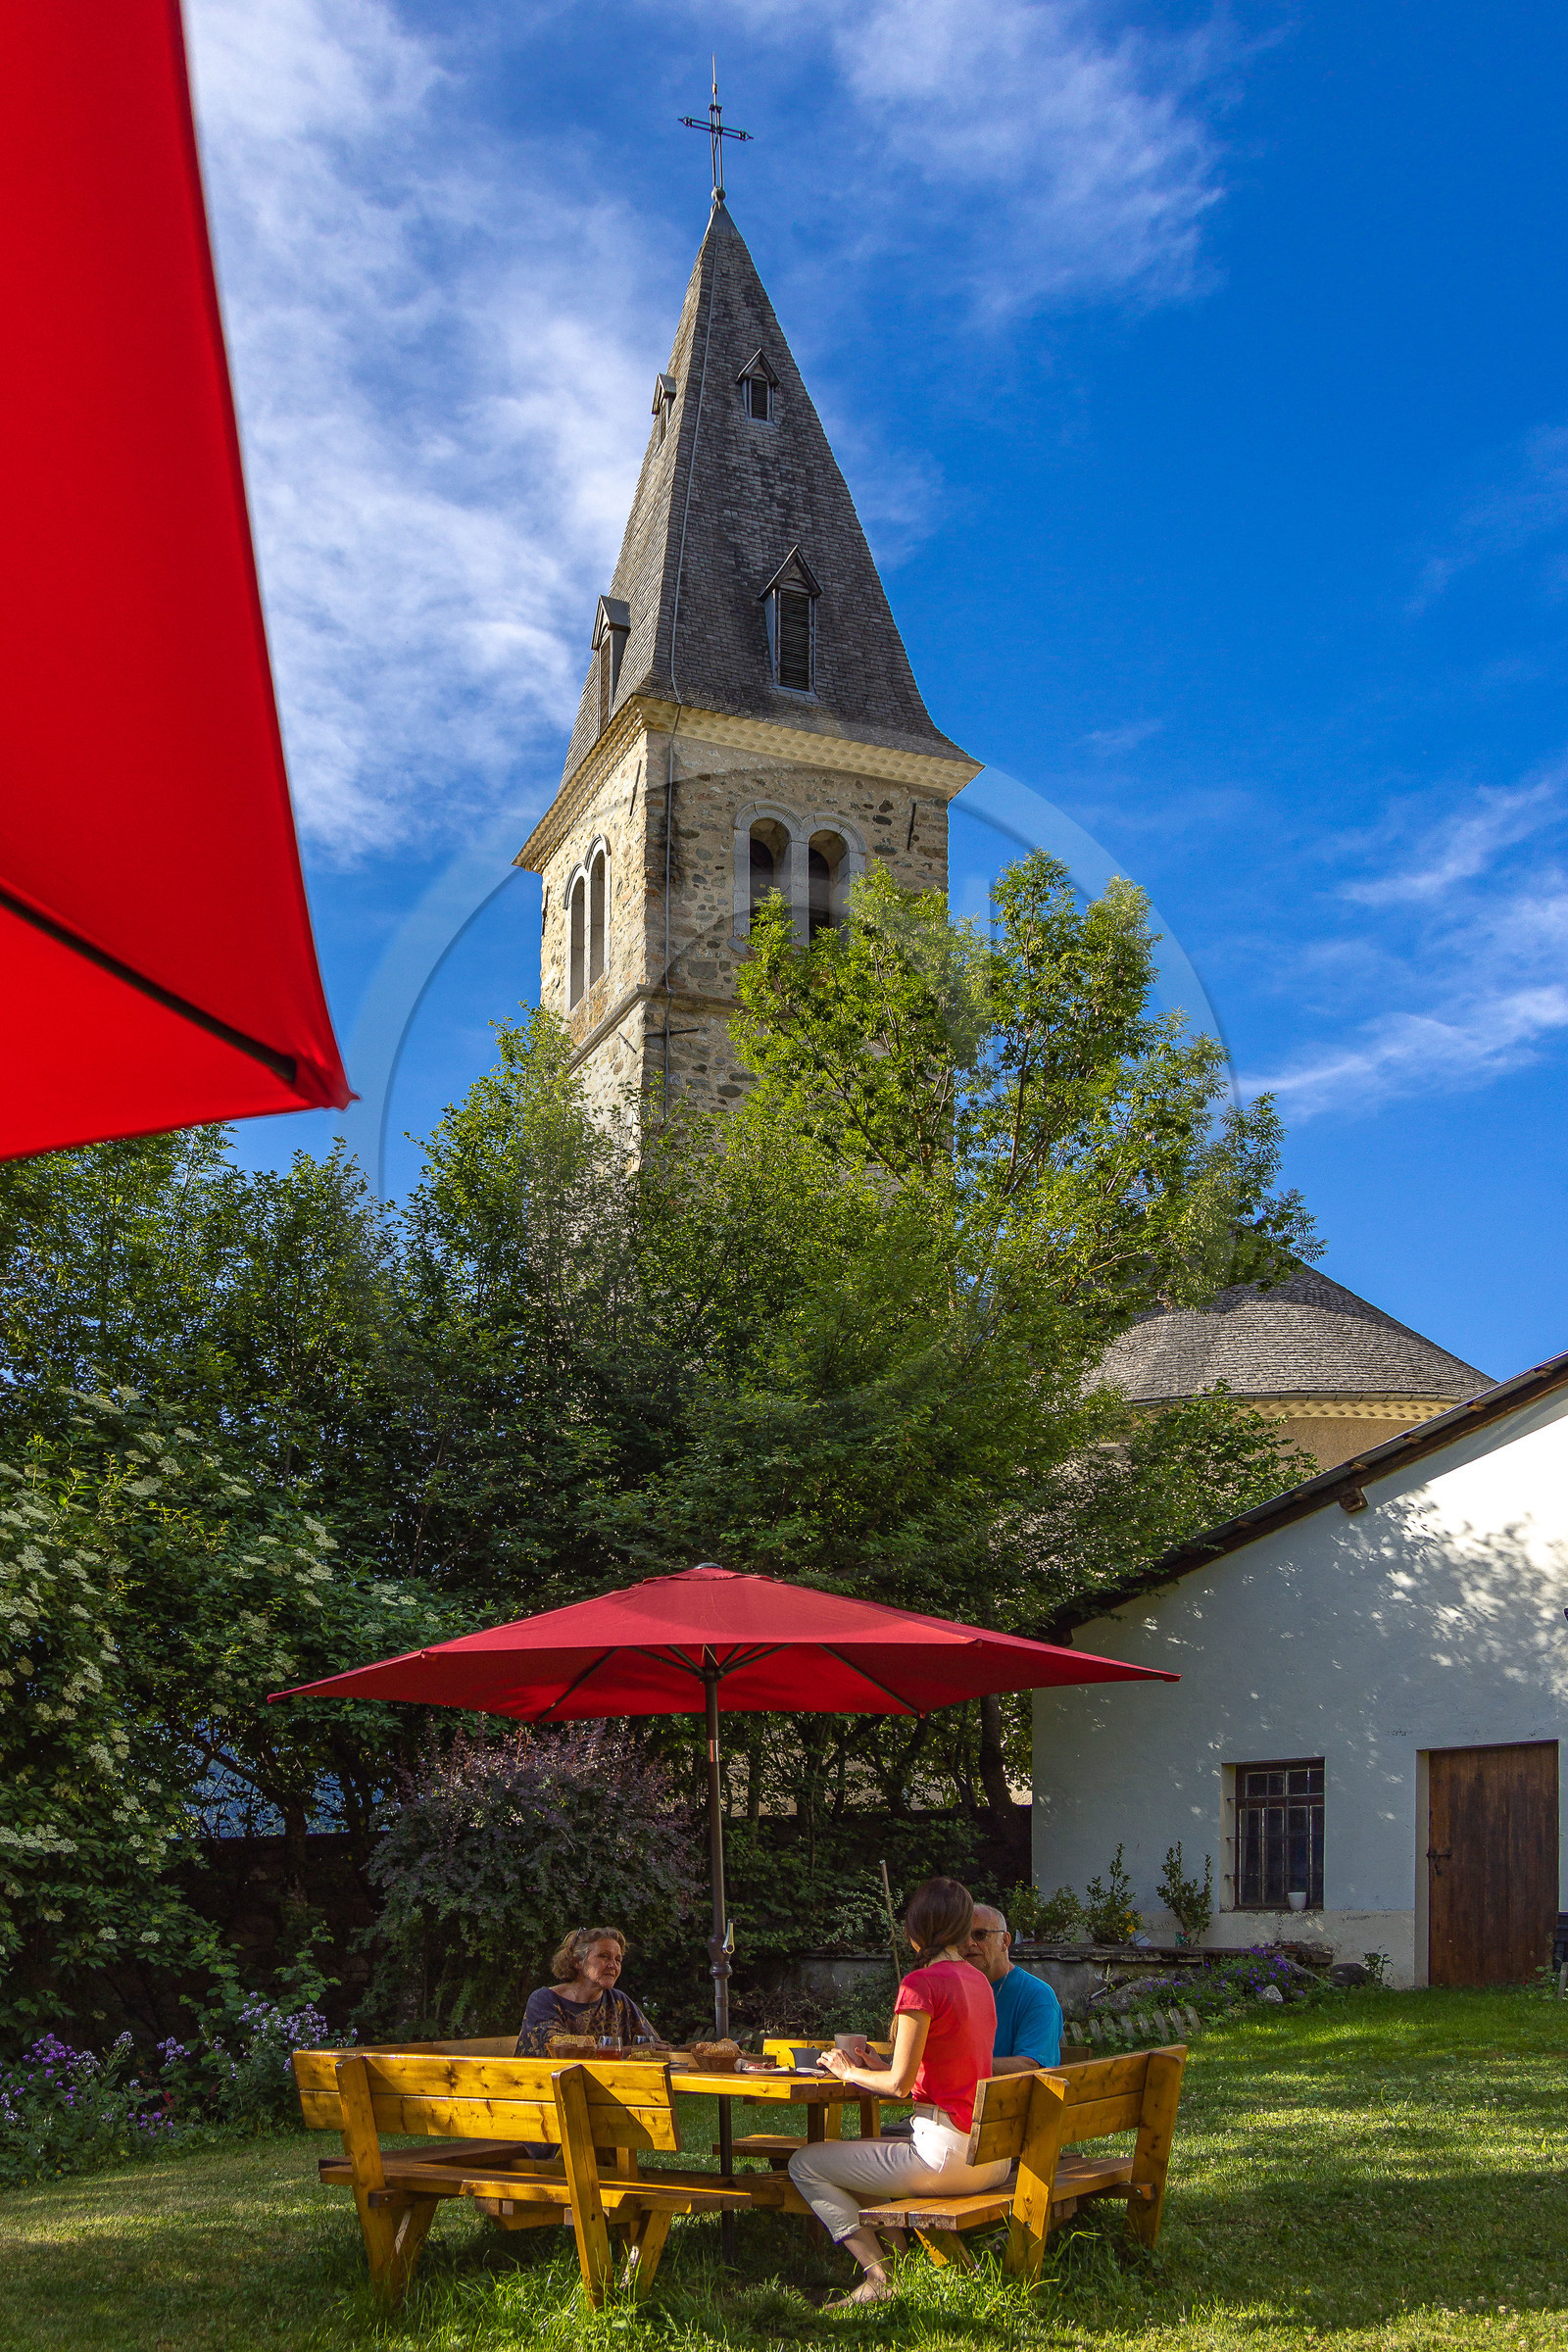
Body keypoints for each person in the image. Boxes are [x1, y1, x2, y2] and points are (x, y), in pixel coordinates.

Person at [787, 1876, 1011, 2309]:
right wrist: (880, 2066)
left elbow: (898, 2085)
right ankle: (904, 2265)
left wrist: (847, 2070)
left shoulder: (921, 1985)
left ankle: (879, 2276)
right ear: (965, 1929)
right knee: (860, 2156)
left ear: (914, 1932)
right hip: (991, 2157)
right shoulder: (979, 1983)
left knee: (805, 2163)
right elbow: (942, 2068)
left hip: (946, 2157)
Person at [514, 1925, 663, 2057]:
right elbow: (564, 2052)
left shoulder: (618, 2000)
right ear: (577, 1961)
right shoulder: (544, 2000)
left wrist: (685, 2048)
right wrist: (633, 2051)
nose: (613, 1965)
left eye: (618, 1960)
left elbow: (657, 2047)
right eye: (603, 1956)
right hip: (543, 2084)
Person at [964, 1902, 1063, 2069]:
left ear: (1005, 1941)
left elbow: (1030, 2065)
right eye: (961, 1936)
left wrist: (960, 2069)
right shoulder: (953, 1991)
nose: (968, 1943)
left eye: (979, 1935)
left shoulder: (1037, 1995)